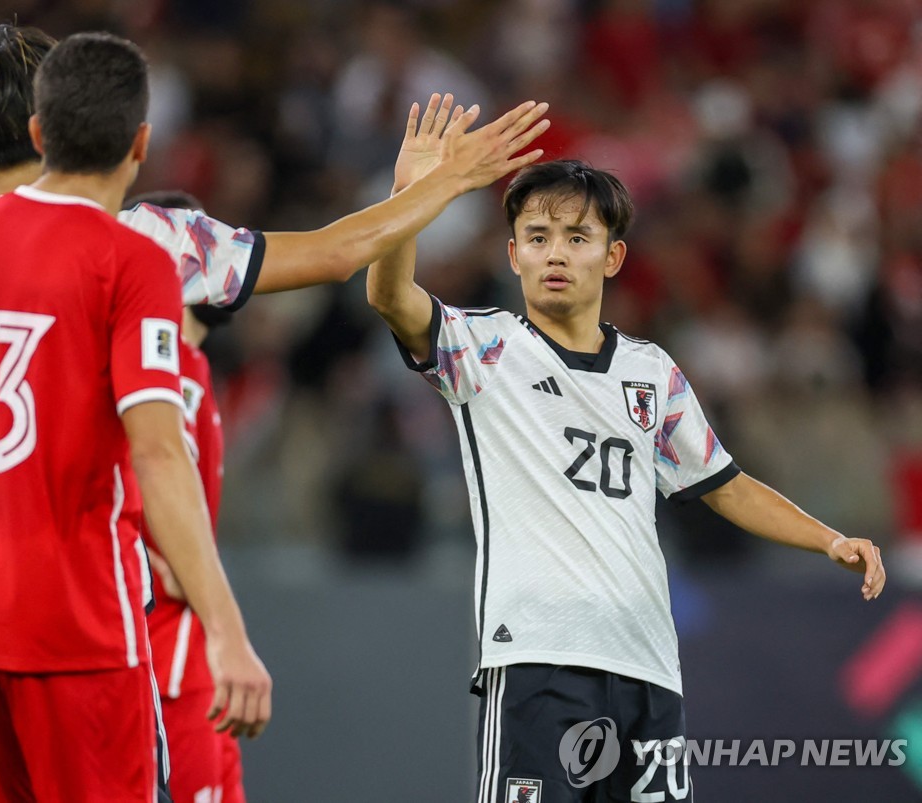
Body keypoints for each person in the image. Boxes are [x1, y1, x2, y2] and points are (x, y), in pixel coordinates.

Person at [0, 28, 546, 722]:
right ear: (56, 123)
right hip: (91, 617)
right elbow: (335, 251)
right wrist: (439, 186)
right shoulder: (150, 241)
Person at [366, 102, 886, 803]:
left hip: (647, 665)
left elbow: (725, 482)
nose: (555, 252)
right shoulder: (486, 348)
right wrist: (412, 194)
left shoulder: (652, 371)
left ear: (612, 256)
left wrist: (829, 539)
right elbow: (389, 293)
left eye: (577, 236)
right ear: (512, 252)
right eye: (538, 235)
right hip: (539, 659)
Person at [0, 32, 273, 801]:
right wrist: (226, 632)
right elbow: (161, 456)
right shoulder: (133, 259)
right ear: (141, 142)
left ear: (37, 132)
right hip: (78, 625)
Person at [129, 189, 247, 803]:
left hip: (189, 649)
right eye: (208, 242)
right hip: (164, 653)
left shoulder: (189, 368)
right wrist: (158, 558)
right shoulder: (172, 368)